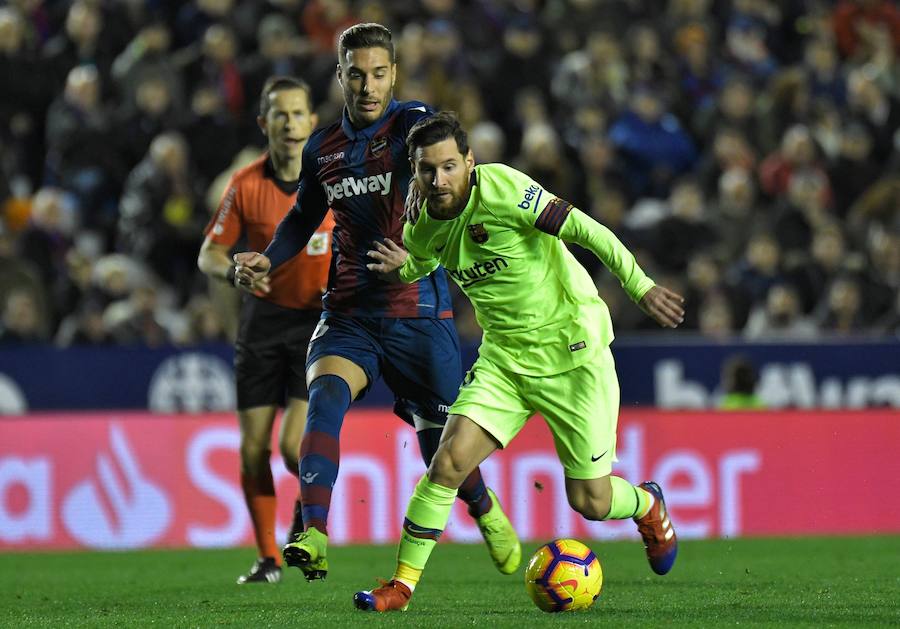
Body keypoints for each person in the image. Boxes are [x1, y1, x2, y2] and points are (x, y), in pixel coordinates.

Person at [355, 112, 685, 612]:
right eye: (428, 170)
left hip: (573, 356)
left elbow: (586, 230)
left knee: (591, 502)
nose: (439, 180)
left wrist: (639, 285)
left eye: (449, 166)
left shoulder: (505, 189)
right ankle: (401, 587)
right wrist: (406, 266)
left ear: (469, 161)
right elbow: (424, 260)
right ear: (415, 171)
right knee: (446, 464)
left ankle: (648, 503)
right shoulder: (421, 223)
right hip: (504, 362)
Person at [233, 24, 519, 582]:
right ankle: (312, 531)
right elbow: (302, 217)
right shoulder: (322, 150)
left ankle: (485, 510)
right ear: (340, 75)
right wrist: (270, 256)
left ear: (394, 74)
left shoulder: (411, 126)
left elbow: (446, 153)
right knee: (325, 398)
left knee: (443, 450)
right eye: (357, 74)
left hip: (419, 313)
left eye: (379, 73)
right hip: (348, 312)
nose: (368, 86)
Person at [198, 76, 334, 584]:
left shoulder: (331, 183)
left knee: (293, 446)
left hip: (317, 324)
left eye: (299, 113)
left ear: (312, 122)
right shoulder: (246, 184)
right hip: (262, 322)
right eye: (280, 114)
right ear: (264, 124)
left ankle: (308, 528)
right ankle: (268, 558)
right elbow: (208, 252)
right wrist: (232, 267)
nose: (291, 123)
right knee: (254, 449)